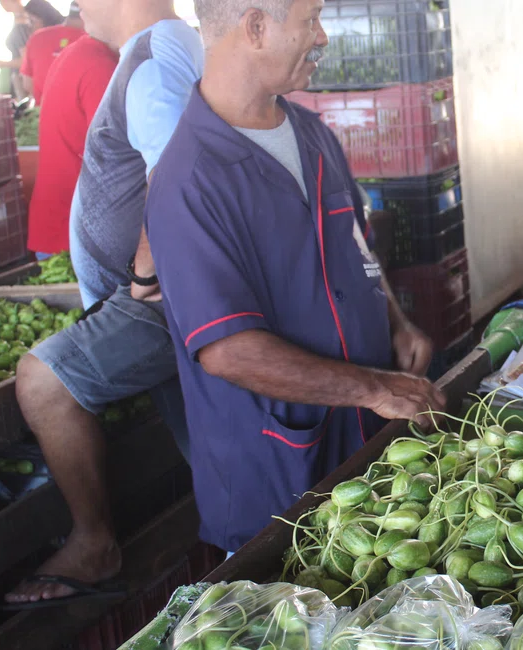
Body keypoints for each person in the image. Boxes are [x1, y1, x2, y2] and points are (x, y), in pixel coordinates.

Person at [144, 0, 445, 553]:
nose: (323, 35)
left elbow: (358, 249)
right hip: (277, 475)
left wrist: (396, 322)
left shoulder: (310, 133)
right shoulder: (189, 183)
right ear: (255, 26)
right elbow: (228, 351)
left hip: (364, 451)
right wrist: (374, 388)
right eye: (310, 19)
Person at [4, 0, 203, 608]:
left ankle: (94, 544)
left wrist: (144, 271)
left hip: (159, 297)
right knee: (205, 447)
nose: (77, 5)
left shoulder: (150, 64)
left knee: (42, 381)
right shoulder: (171, 48)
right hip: (172, 292)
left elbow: (175, 172)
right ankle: (248, 551)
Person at [26, 28, 118, 258]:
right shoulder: (100, 66)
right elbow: (115, 157)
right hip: (75, 238)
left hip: (59, 226)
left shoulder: (77, 53)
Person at [0, 0, 65, 100]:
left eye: (32, 21)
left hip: (39, 83)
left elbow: (26, 61)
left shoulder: (22, 29)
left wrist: (2, 63)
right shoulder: (25, 26)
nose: (31, 25)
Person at [20, 2, 88, 105]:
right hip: (82, 117)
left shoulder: (37, 37)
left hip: (43, 115)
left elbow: (27, 84)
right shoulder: (94, 42)